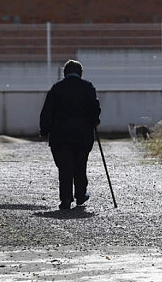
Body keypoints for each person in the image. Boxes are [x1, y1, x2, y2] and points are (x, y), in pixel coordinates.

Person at [39, 60, 101, 210]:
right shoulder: (87, 87)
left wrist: (44, 130)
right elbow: (95, 108)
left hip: (60, 136)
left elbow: (47, 111)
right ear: (80, 73)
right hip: (83, 135)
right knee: (81, 164)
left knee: (65, 167)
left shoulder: (56, 88)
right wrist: (95, 121)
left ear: (64, 73)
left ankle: (66, 198)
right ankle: (80, 194)